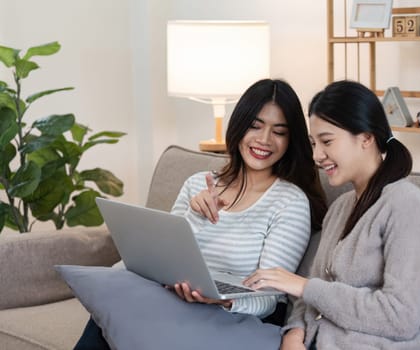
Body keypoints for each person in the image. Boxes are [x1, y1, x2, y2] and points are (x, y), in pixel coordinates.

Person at [73, 78, 327, 349]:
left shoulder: (289, 201)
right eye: (254, 126)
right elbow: (162, 260)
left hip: (232, 314)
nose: (264, 140)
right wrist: (195, 215)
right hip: (175, 299)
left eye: (279, 131)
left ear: (291, 140)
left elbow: (269, 297)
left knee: (127, 307)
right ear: (239, 126)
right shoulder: (198, 183)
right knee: (118, 292)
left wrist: (220, 299)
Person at [244, 80, 420, 349]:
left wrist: (305, 287)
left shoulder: (408, 207)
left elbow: (400, 317)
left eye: (327, 141)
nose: (317, 155)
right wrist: (293, 333)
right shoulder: (341, 207)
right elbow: (310, 294)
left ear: (366, 137)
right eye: (313, 143)